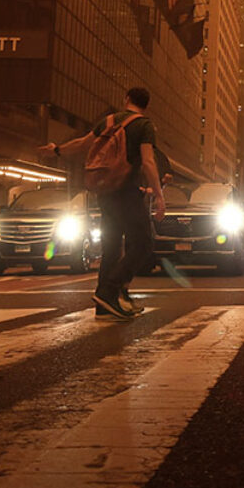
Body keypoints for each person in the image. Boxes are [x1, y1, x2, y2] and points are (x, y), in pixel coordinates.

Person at [39, 87, 165, 320]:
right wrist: (158, 195)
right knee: (143, 243)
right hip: (126, 192)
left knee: (112, 247)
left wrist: (57, 150)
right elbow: (148, 161)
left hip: (104, 192)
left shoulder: (107, 121)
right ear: (146, 105)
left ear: (126, 99)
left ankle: (104, 304)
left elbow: (82, 144)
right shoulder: (144, 125)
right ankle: (110, 290)